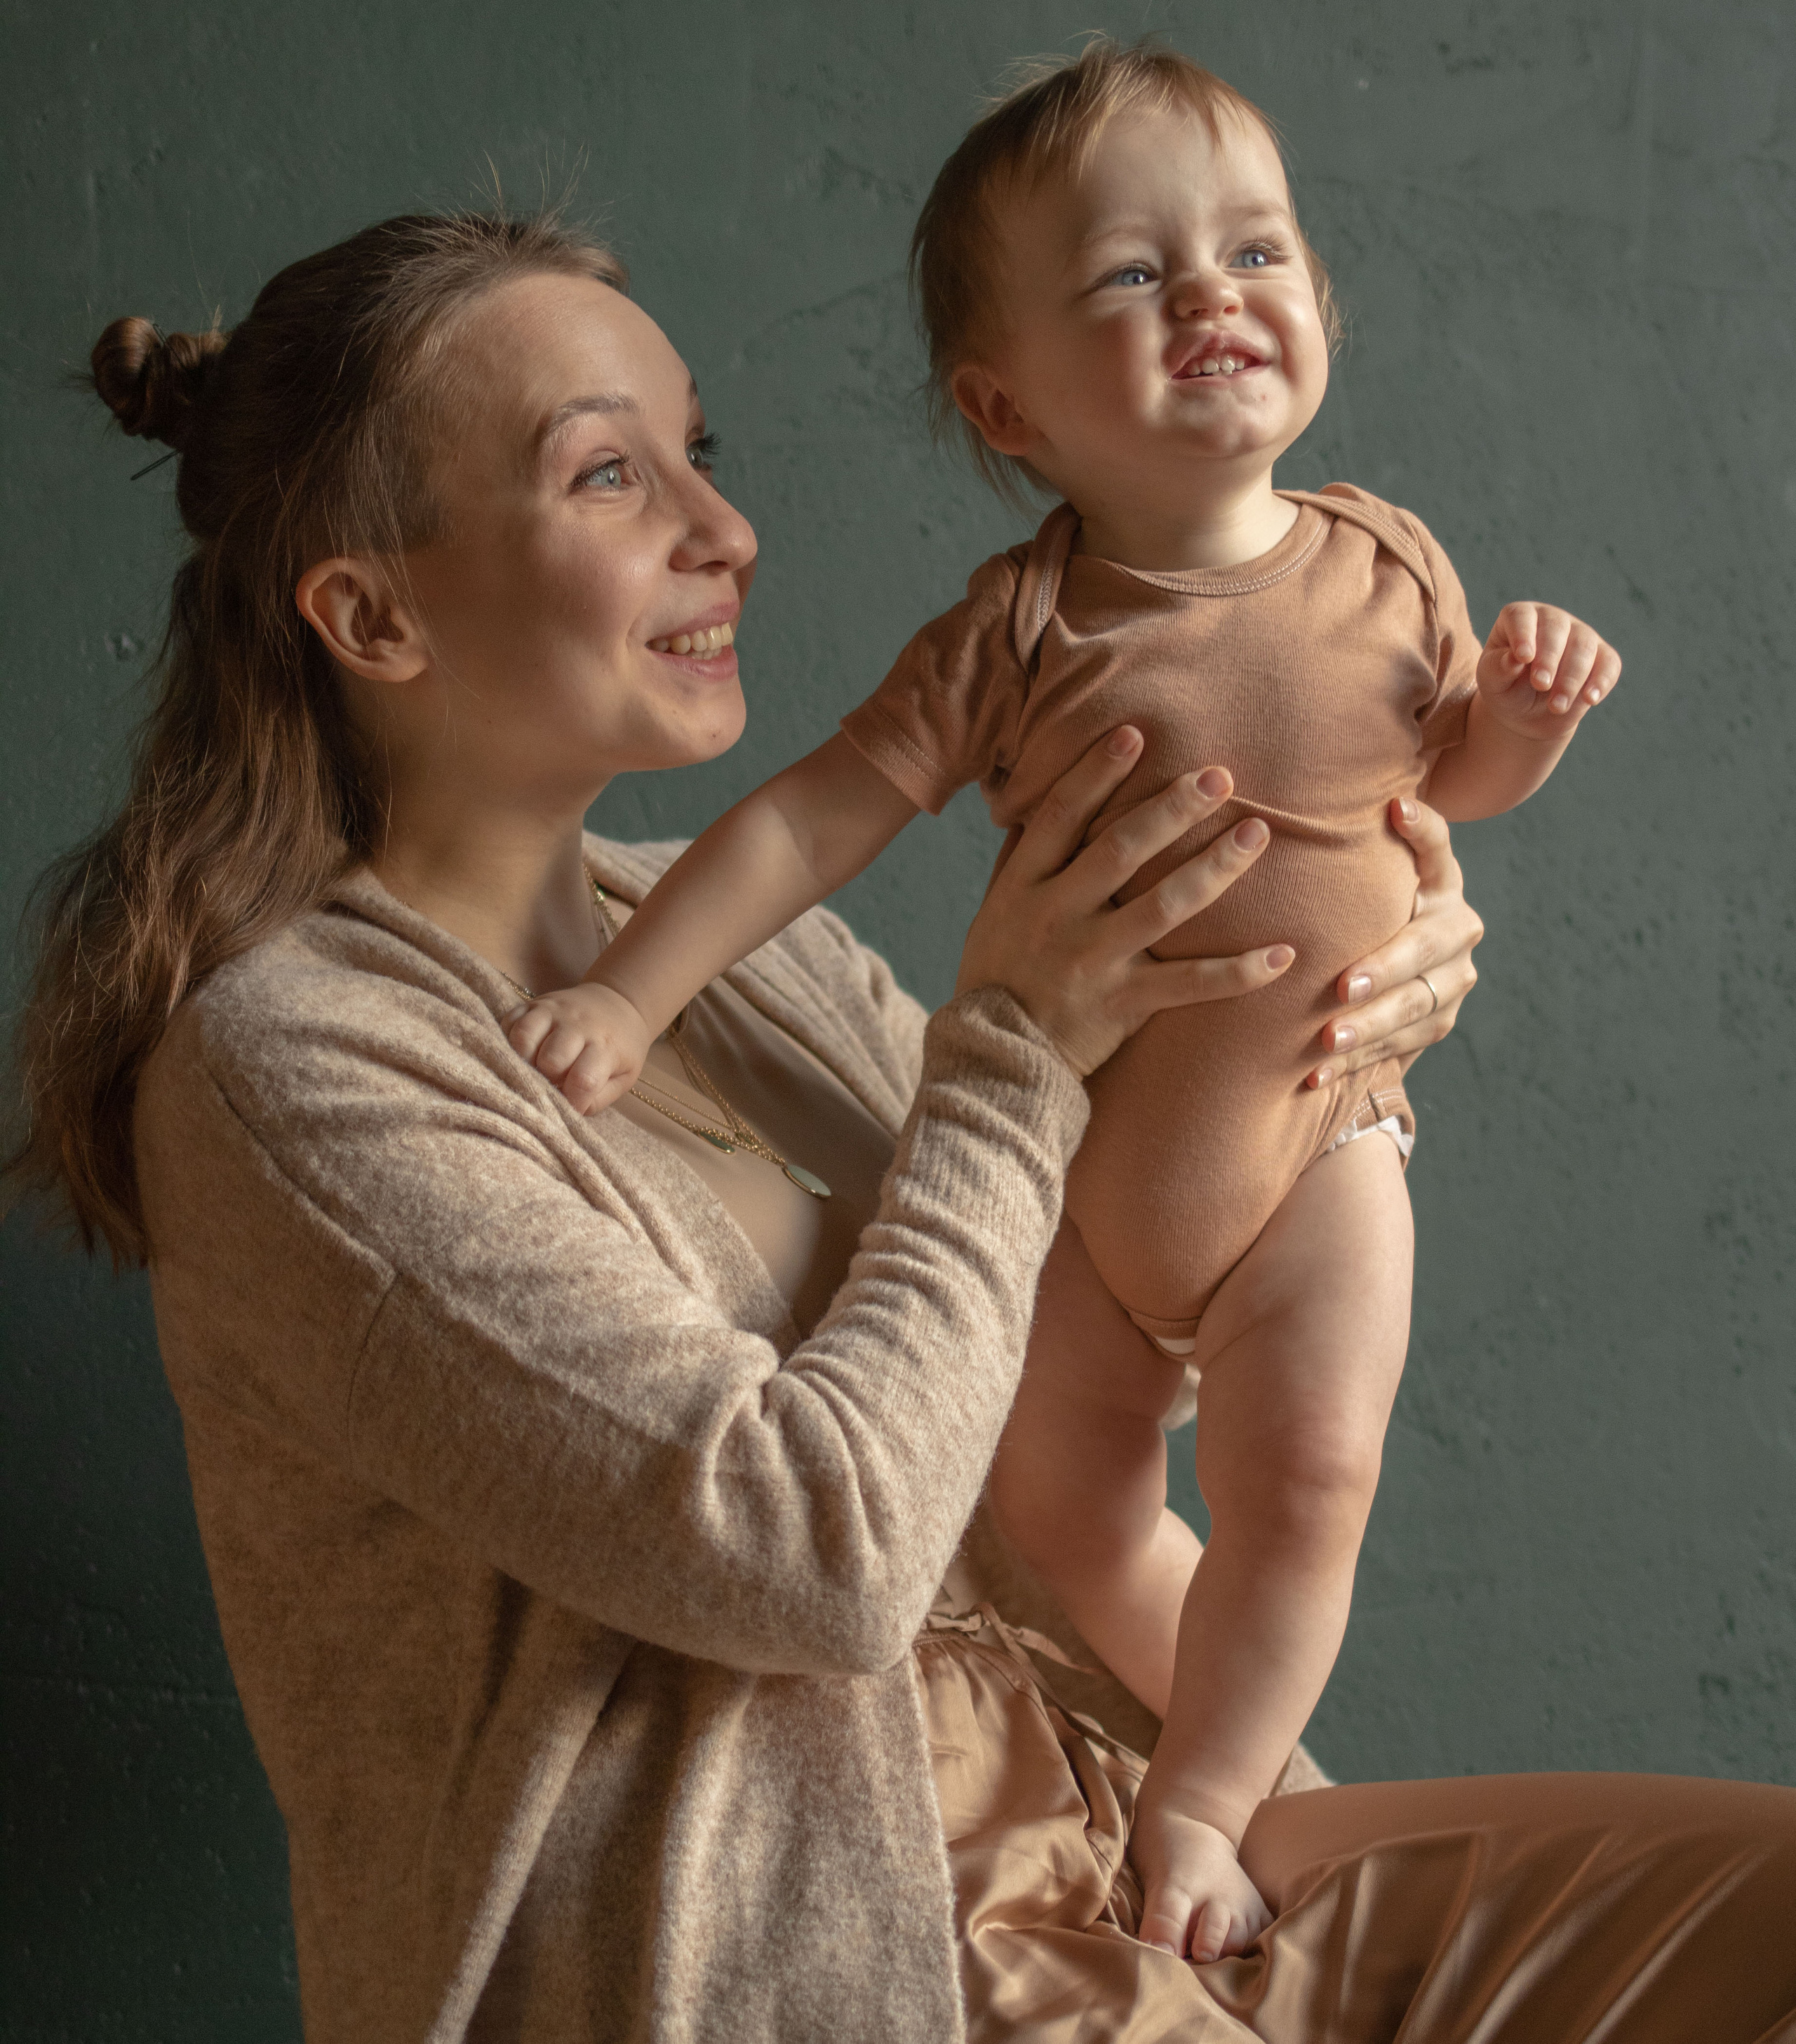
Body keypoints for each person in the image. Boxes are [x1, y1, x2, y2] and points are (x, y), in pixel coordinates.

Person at [9, 209, 1792, 2044]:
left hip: (1160, 1849)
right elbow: (817, 1554)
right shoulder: (293, 1068)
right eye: (609, 474)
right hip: (857, 1959)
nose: (724, 531)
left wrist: (1323, 1054)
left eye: (698, 452)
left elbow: (1113, 1342)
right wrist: (1015, 1046)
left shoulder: (739, 959)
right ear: (373, 610)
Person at [497, 41, 1624, 1961]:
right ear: (1004, 405)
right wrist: (626, 987)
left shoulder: (1383, 563)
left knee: (1312, 1470)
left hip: (1319, 1138)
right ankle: (1277, 1819)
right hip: (1089, 1180)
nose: (1212, 294)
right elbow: (808, 820)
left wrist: (1515, 727)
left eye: (1256, 250)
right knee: (1071, 1507)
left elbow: (1445, 796)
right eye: (1132, 272)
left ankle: (1212, 1793)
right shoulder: (1016, 632)